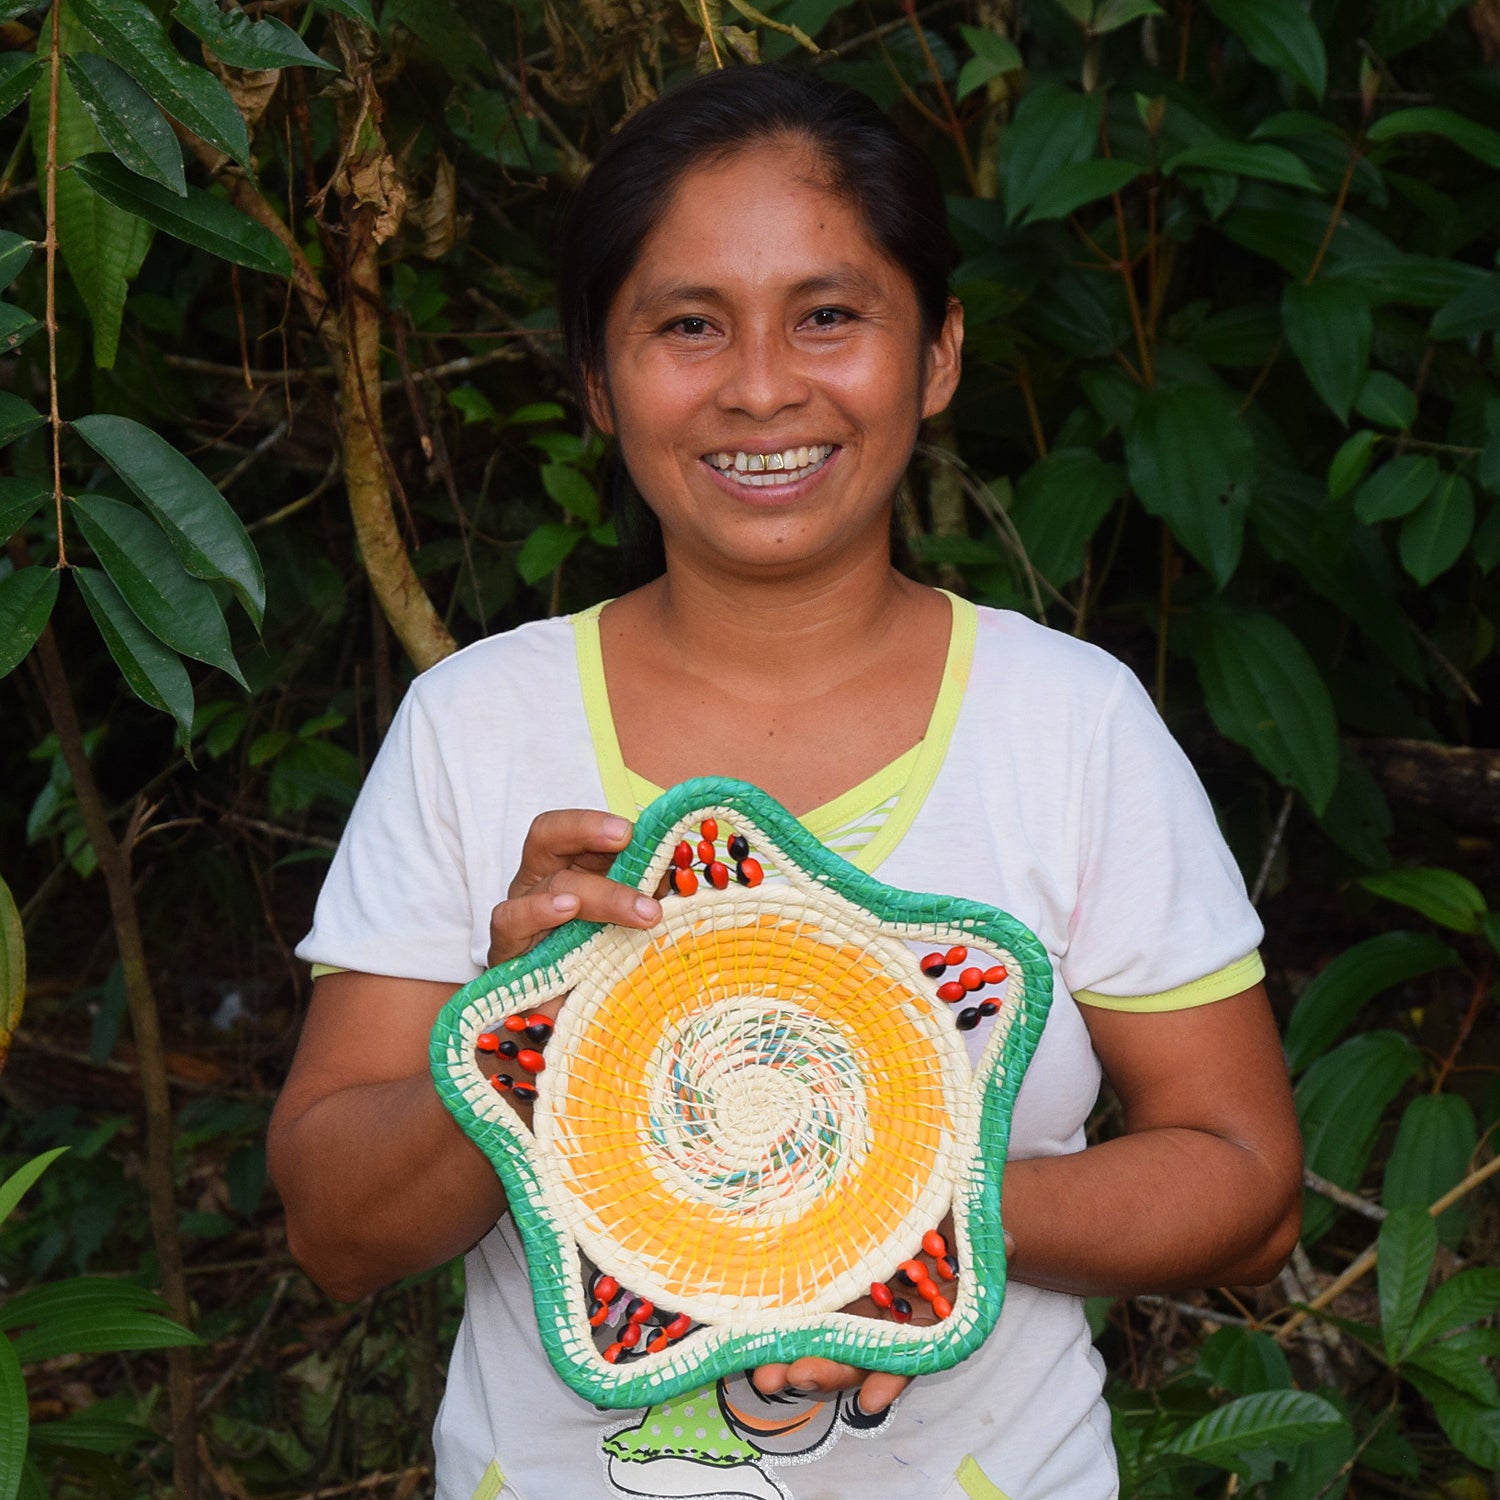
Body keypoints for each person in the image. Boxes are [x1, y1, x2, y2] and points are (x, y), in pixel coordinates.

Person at [270, 65, 1302, 1500]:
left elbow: (1247, 1184)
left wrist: (895, 1218)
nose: (761, 386)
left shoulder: (1071, 725)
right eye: (688, 324)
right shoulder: (476, 728)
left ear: (937, 354)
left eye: (828, 315)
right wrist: (521, 1035)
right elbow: (334, 1233)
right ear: (597, 379)